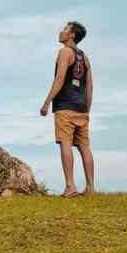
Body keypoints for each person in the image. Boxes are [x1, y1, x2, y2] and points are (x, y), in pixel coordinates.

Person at [39, 21, 94, 197]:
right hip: (82, 108)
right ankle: (91, 188)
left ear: (71, 35)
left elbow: (60, 78)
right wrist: (87, 109)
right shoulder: (84, 57)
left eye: (65, 29)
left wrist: (47, 102)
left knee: (66, 143)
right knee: (85, 147)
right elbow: (89, 87)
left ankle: (70, 186)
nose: (61, 31)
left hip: (65, 106)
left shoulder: (64, 52)